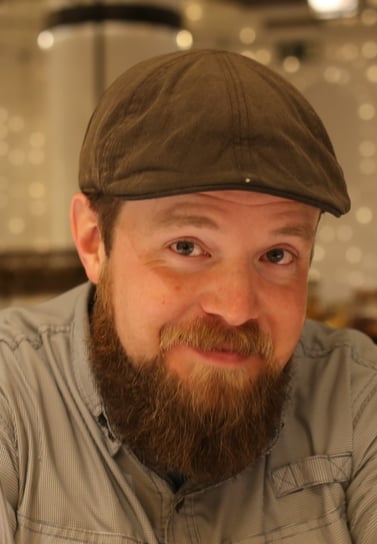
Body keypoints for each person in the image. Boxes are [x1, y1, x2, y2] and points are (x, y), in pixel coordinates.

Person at [0, 48, 376, 544]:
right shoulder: (13, 393)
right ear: (94, 241)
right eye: (187, 246)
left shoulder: (354, 393)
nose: (237, 306)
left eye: (278, 255)